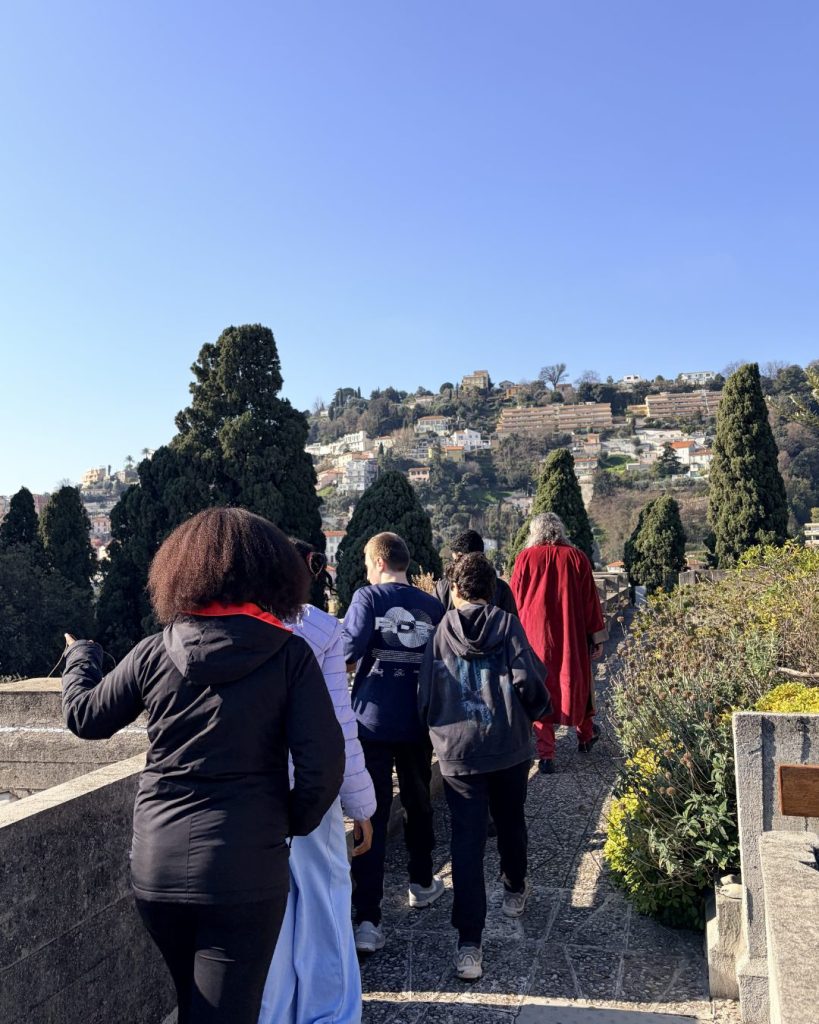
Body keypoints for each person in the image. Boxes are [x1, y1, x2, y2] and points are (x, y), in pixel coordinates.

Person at [61, 508, 344, 1024]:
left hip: (157, 865)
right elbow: (323, 767)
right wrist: (286, 823)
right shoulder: (291, 657)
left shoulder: (153, 653)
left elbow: (85, 716)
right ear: (273, 573)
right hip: (246, 868)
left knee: (194, 1004)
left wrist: (82, 655)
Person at [259, 540, 376, 1024]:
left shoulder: (238, 627)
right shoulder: (321, 631)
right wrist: (362, 806)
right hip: (313, 789)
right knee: (325, 904)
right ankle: (330, 1014)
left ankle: (275, 1014)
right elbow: (340, 727)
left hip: (255, 795)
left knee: (273, 916)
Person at [418, 553, 550, 980]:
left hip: (458, 751)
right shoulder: (507, 625)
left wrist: (437, 732)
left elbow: (425, 694)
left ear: (455, 589)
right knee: (511, 820)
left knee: (466, 841)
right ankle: (514, 888)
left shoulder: (440, 632)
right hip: (508, 745)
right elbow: (529, 680)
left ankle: (469, 945)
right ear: (492, 590)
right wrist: (534, 713)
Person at [342, 531, 445, 953]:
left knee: (371, 815)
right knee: (419, 803)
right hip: (418, 722)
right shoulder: (434, 607)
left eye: (368, 564)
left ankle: (368, 919)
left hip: (372, 723)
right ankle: (421, 882)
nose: (367, 571)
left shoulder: (367, 598)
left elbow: (346, 653)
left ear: (380, 562)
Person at [509, 512, 607, 774]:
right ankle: (585, 737)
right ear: (559, 530)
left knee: (540, 688)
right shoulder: (576, 557)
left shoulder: (525, 558)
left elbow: (514, 599)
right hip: (571, 635)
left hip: (534, 637)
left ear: (534, 533)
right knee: (577, 683)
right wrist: (597, 637)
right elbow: (590, 602)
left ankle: (546, 756)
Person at [435, 529, 518, 616]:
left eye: (455, 560)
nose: (454, 565)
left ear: (460, 557)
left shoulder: (443, 588)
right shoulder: (501, 588)